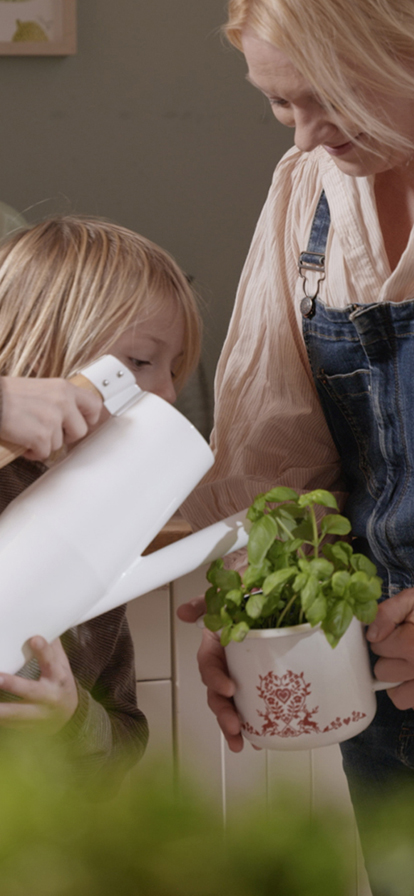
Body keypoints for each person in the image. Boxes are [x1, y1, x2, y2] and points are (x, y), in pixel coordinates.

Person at [177, 0, 414, 864]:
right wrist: (260, 599)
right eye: (281, 102)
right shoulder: (310, 188)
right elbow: (284, 455)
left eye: (333, 97)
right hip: (388, 697)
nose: (307, 135)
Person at [0, 215, 201, 782]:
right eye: (140, 362)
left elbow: (125, 733)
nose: (168, 392)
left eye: (174, 369)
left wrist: (71, 720)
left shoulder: (105, 524)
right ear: (42, 349)